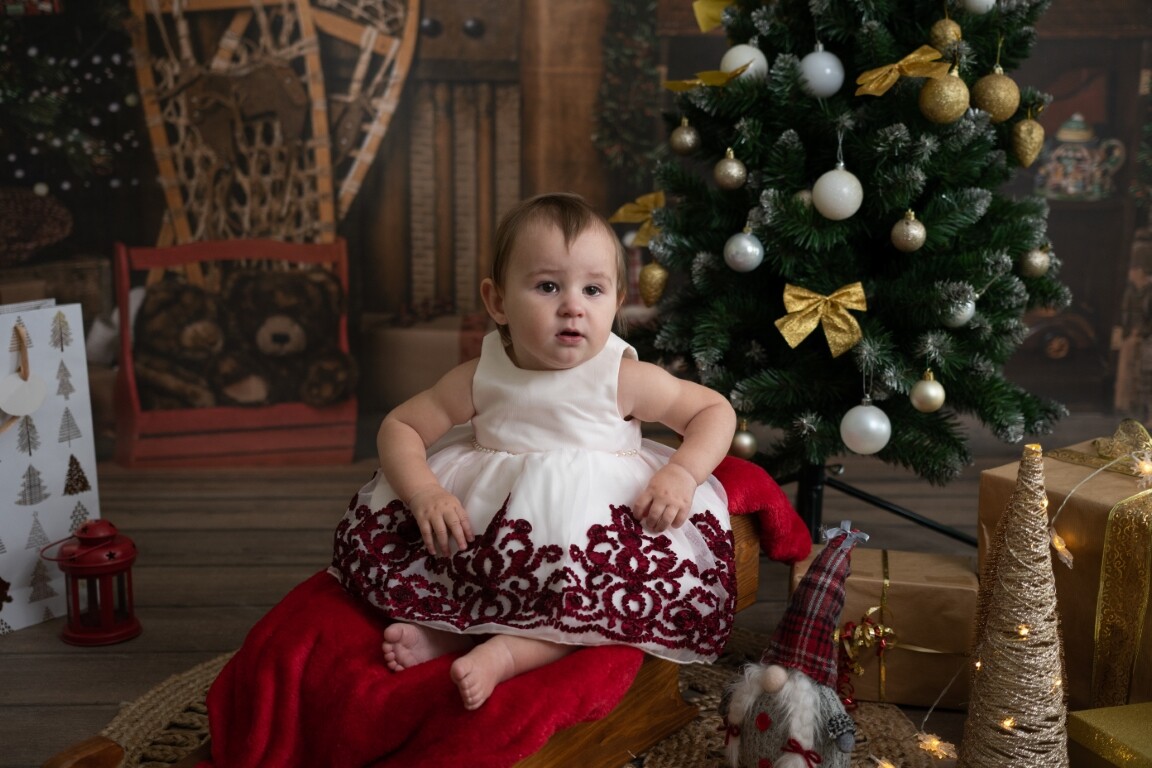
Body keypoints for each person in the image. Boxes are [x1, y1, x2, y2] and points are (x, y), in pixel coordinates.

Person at [329, 192, 738, 711]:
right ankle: (447, 633)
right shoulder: (482, 375)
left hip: (595, 521)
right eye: (548, 286)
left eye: (593, 289)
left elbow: (713, 411)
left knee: (581, 595)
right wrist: (425, 493)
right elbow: (401, 425)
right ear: (497, 301)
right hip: (493, 521)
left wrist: (682, 472)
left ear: (616, 302)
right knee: (461, 568)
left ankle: (507, 654)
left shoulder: (622, 377)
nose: (573, 306)